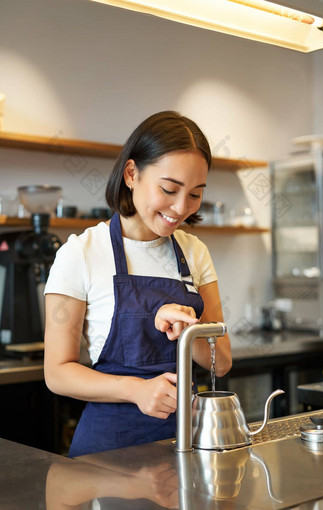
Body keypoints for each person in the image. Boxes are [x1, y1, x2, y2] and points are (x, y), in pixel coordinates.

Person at [44, 111, 232, 457]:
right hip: (107, 454)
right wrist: (137, 390)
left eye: (195, 194)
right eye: (169, 189)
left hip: (186, 444)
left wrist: (188, 332)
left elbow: (221, 363)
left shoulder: (195, 253)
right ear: (131, 174)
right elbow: (57, 373)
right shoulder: (81, 253)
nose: (181, 208)